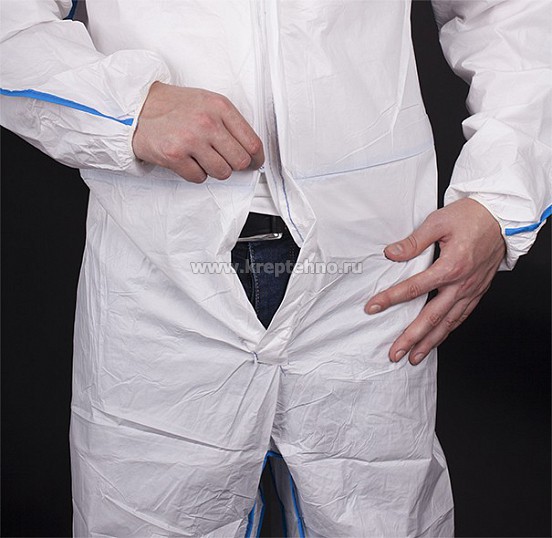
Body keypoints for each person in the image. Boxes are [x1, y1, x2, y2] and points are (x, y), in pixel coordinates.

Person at [1, 1, 550, 536]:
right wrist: (126, 106)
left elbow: (511, 11)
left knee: (382, 516)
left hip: (373, 260)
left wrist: (499, 197)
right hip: (160, 259)